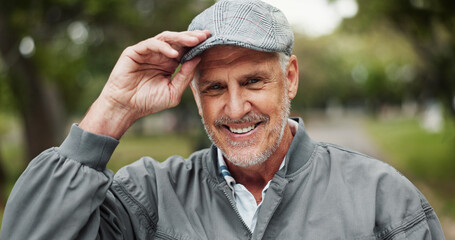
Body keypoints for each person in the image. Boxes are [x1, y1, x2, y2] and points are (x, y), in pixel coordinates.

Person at [0, 0, 445, 239]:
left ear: (289, 78)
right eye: (214, 87)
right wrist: (114, 108)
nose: (234, 109)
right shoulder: (146, 199)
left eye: (252, 81)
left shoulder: (382, 200)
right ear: (194, 93)